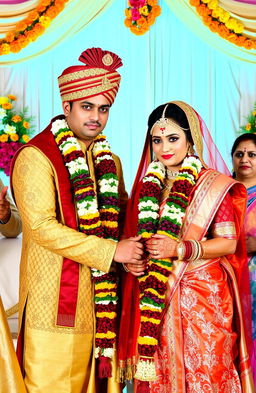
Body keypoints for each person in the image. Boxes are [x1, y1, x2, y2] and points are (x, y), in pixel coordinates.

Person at [10, 47, 144, 393]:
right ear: (66, 106)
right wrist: (114, 252)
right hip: (53, 302)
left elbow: (126, 216)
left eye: (104, 109)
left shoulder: (109, 160)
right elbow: (41, 228)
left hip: (102, 308)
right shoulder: (36, 157)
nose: (96, 117)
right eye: (87, 107)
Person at [118, 101, 254, 393]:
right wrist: (133, 261)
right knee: (160, 373)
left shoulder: (214, 184)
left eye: (173, 138)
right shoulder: (146, 188)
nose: (165, 147)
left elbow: (228, 242)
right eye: (157, 140)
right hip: (157, 294)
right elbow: (134, 240)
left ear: (191, 138)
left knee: (207, 370)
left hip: (203, 298)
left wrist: (179, 249)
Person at [232, 132, 256, 386]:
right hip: (226, 277)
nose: (245, 159)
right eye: (239, 154)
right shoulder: (223, 191)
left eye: (251, 154)